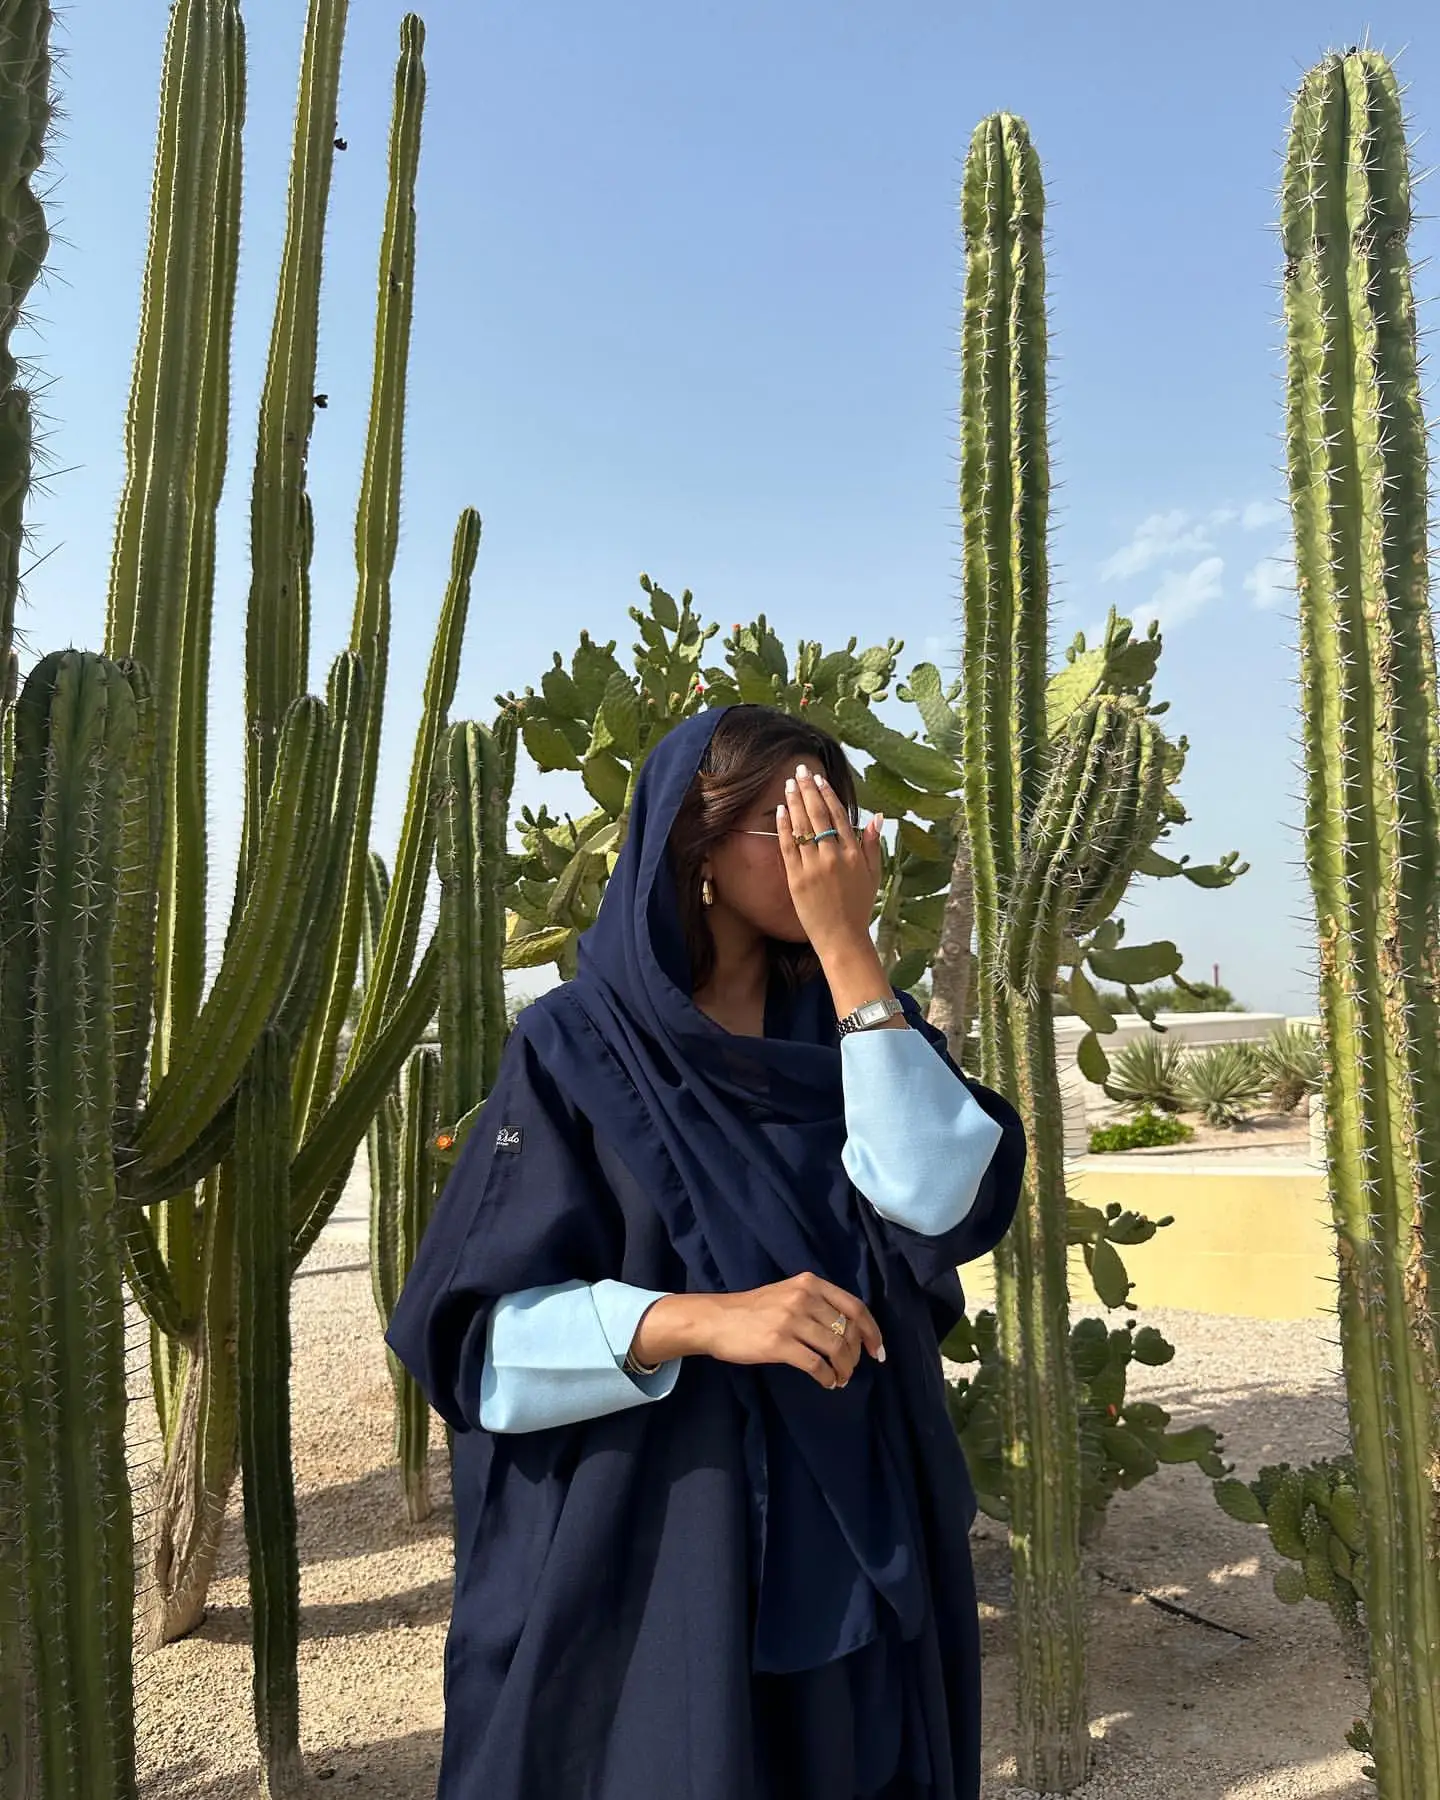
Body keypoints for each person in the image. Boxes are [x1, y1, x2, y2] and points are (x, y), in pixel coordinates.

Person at [386, 701, 1026, 1800]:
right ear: (700, 849)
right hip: (662, 1528)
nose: (837, 855)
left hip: (853, 1517)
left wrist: (850, 952)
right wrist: (702, 1321)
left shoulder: (862, 1026)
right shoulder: (577, 1045)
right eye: (801, 826)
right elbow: (478, 1342)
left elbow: (933, 1201)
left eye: (844, 824)